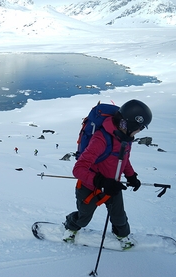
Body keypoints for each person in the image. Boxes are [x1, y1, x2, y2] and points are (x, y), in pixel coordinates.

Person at [63, 100, 152, 249]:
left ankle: (121, 235)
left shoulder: (126, 138)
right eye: (140, 128)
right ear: (129, 124)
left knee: (119, 217)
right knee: (84, 217)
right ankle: (71, 227)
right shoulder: (101, 139)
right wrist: (100, 181)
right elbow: (78, 169)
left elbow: (124, 159)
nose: (139, 132)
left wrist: (131, 176)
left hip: (113, 186)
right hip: (89, 186)